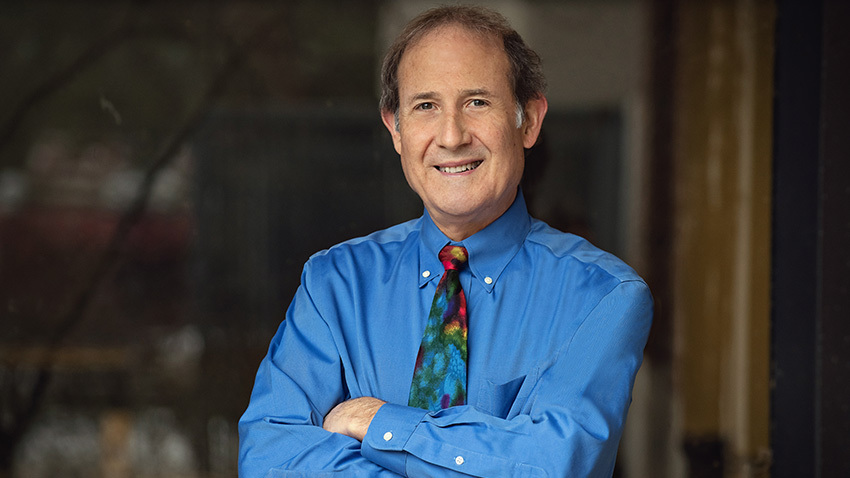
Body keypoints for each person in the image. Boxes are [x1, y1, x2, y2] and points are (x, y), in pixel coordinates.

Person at [238, 5, 652, 477]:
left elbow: (552, 467)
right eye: (426, 106)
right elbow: (269, 458)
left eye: (477, 102)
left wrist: (381, 424)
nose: (451, 136)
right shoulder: (333, 285)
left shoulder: (603, 297)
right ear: (396, 128)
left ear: (529, 120)